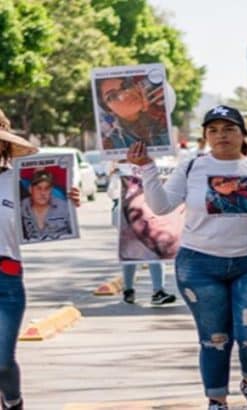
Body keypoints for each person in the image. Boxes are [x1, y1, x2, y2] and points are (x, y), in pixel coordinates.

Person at [127, 104, 247, 410]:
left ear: (243, 135)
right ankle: (217, 400)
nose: (221, 135)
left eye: (229, 129)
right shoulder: (191, 167)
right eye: (213, 130)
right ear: (205, 136)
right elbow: (161, 207)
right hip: (199, 265)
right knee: (214, 337)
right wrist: (147, 168)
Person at [0, 110, 81, 410]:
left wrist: (68, 204)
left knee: (2, 362)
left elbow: (46, 222)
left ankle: (13, 402)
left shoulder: (20, 182)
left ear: (4, 145)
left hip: (6, 281)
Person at [106, 169, 177, 305]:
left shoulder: (154, 167)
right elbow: (112, 194)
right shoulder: (120, 171)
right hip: (128, 216)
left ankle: (157, 291)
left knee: (154, 251)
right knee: (131, 252)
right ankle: (129, 290)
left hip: (150, 214)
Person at [95, 76, 170, 150]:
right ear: (109, 110)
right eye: (113, 96)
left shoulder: (162, 112)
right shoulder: (113, 142)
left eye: (126, 86)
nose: (125, 94)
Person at [19, 168, 73, 242]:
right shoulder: (22, 206)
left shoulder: (64, 207)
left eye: (47, 188)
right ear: (30, 189)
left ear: (51, 190)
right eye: (38, 188)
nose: (43, 193)